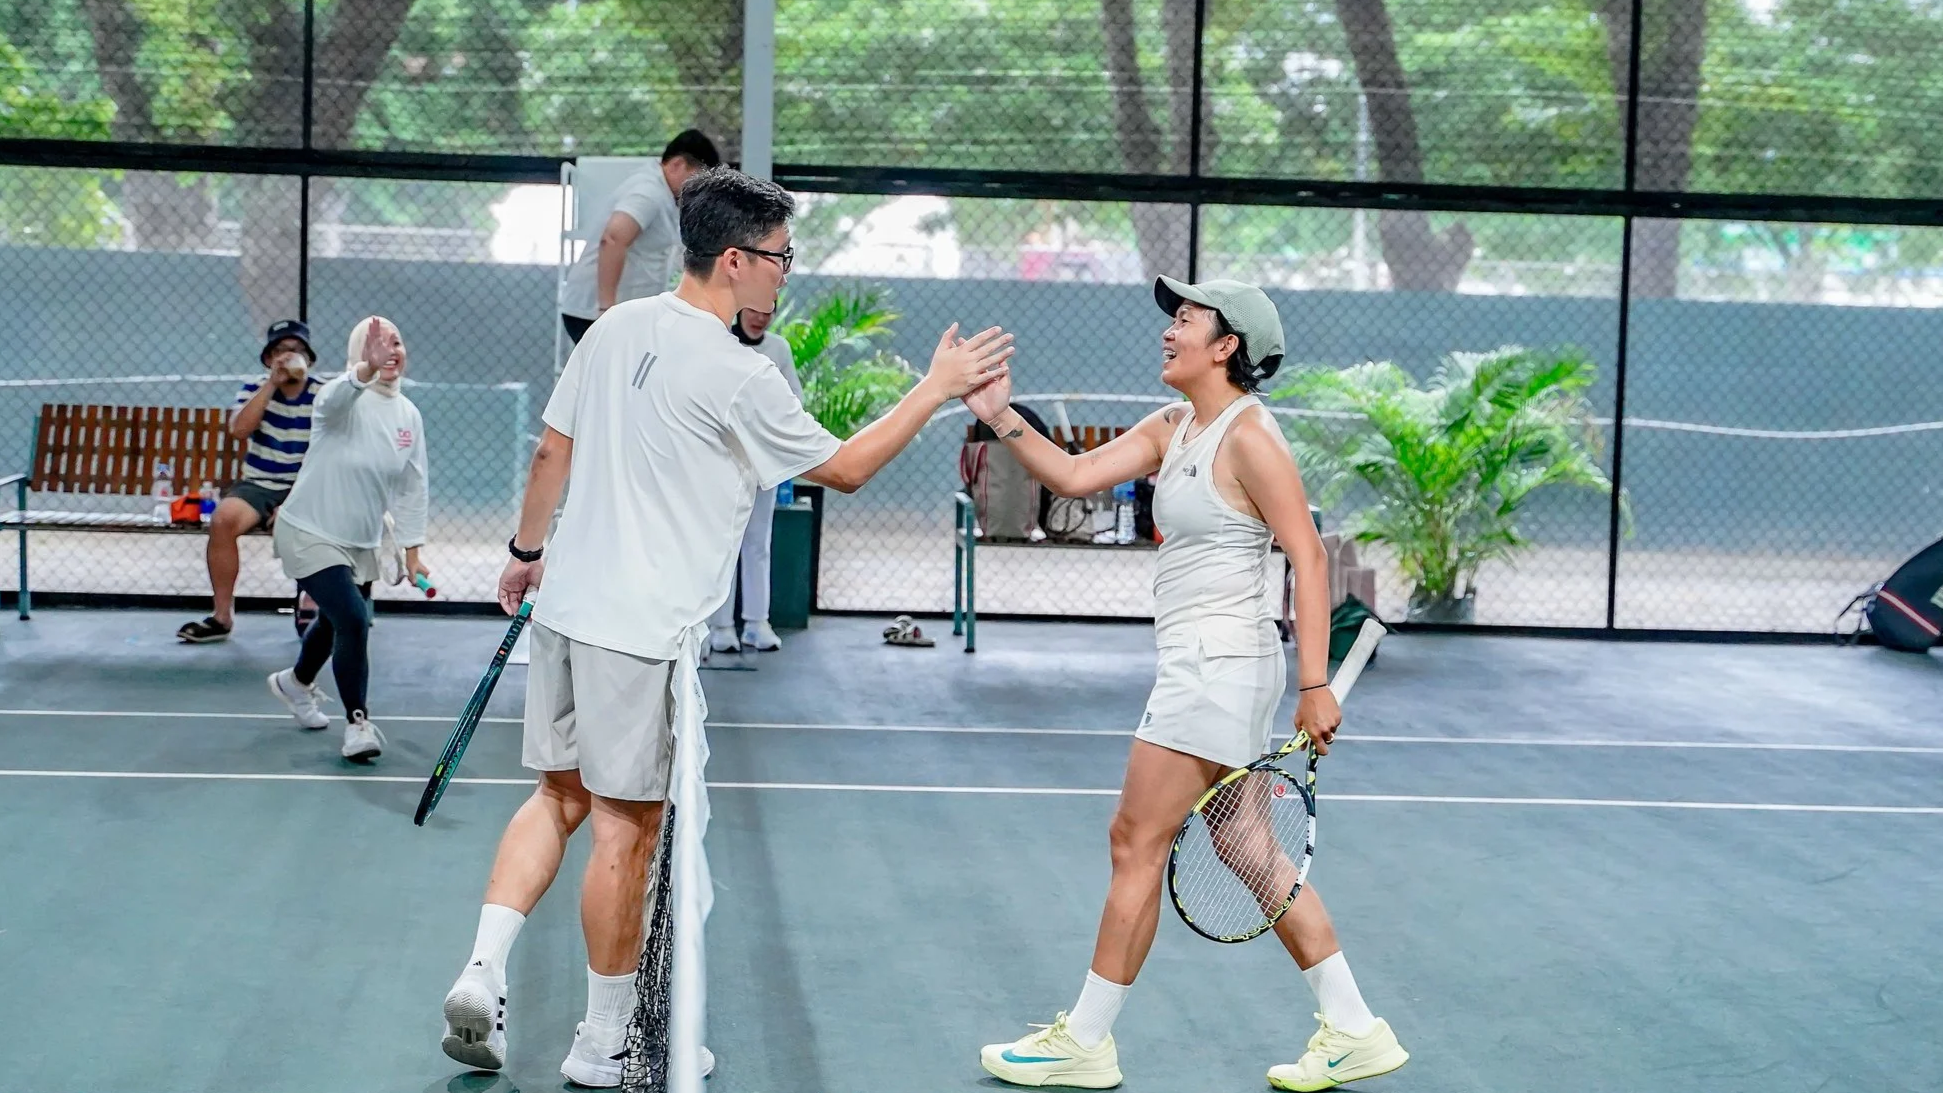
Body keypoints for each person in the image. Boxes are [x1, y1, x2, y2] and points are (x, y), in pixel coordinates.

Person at [436, 166, 1012, 1088]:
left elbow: (552, 450)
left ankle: (482, 969)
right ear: (735, 259)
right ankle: (603, 1041)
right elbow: (850, 467)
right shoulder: (741, 376)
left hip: (567, 610)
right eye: (780, 258)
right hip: (641, 632)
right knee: (626, 832)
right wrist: (936, 386)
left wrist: (524, 550)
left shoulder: (615, 328)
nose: (787, 273)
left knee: (555, 797)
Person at [968, 278, 1409, 1091]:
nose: (1169, 331)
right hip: (1203, 662)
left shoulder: (1249, 438)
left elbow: (1308, 557)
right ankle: (1353, 1025)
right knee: (1249, 849)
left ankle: (1087, 1040)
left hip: (1220, 663)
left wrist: (1316, 683)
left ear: (1226, 345)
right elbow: (1071, 476)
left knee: (1134, 839)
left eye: (1185, 319)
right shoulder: (1174, 426)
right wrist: (999, 414)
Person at [264, 316, 431, 763]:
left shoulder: (409, 416)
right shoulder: (340, 398)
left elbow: (414, 488)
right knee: (355, 620)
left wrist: (413, 554)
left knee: (338, 620)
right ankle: (358, 724)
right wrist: (364, 371)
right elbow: (334, 399)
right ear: (360, 352)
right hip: (308, 531)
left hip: (360, 541)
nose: (390, 351)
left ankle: (295, 683)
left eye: (397, 342)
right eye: (378, 345)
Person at [177, 319, 323, 643]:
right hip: (259, 483)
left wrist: (294, 500)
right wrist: (271, 385)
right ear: (269, 359)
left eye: (296, 351)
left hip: (307, 484)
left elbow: (333, 450)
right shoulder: (254, 389)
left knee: (311, 523)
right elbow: (239, 430)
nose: (288, 358)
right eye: (281, 352)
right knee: (223, 520)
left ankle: (311, 604)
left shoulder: (323, 394)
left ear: (309, 359)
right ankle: (222, 616)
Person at [558, 129, 723, 345]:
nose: (698, 190)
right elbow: (613, 239)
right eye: (697, 179)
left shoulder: (665, 195)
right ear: (677, 165)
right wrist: (606, 309)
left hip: (618, 315)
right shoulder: (648, 193)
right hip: (594, 315)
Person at [707, 305, 804, 653]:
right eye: (755, 310)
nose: (760, 317)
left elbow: (794, 400)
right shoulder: (718, 342)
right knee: (723, 544)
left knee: (758, 542)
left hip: (763, 462)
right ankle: (719, 626)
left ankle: (756, 622)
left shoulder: (778, 349)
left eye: (768, 312)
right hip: (721, 461)